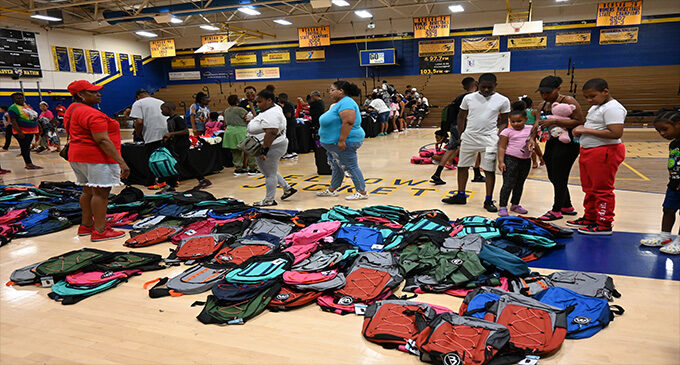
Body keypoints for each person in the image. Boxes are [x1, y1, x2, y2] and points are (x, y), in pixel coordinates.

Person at [64, 80, 129, 241]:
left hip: (77, 156)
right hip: (96, 158)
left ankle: (86, 225)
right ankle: (100, 231)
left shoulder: (72, 110)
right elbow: (102, 140)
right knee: (101, 193)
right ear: (80, 94)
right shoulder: (91, 113)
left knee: (87, 191)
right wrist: (121, 162)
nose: (98, 94)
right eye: (92, 92)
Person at [442, 73, 510, 212]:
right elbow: (461, 117)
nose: (486, 90)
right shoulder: (468, 98)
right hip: (469, 137)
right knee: (462, 166)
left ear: (495, 85)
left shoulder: (503, 100)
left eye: (489, 88)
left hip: (490, 139)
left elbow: (504, 121)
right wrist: (462, 134)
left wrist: (498, 135)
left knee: (489, 170)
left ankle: (488, 200)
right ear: (478, 84)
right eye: (483, 87)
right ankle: (461, 196)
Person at [567, 78, 626, 235]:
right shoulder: (597, 106)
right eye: (586, 97)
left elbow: (615, 133)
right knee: (589, 189)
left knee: (602, 190)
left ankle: (604, 223)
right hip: (590, 151)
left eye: (592, 96)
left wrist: (584, 130)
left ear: (605, 92)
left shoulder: (613, 108)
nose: (588, 100)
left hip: (605, 151)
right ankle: (591, 217)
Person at [529, 76, 585, 221]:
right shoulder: (542, 105)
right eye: (542, 93)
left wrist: (555, 121)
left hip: (568, 142)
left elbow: (580, 121)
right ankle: (567, 205)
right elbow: (537, 123)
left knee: (560, 175)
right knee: (553, 174)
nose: (545, 95)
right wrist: (531, 138)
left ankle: (556, 210)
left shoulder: (568, 101)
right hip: (552, 141)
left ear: (558, 89)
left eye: (548, 92)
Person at [316, 80, 368, 200]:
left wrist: (342, 140)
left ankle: (362, 192)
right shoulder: (341, 103)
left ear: (341, 91)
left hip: (346, 141)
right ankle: (332, 189)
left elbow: (348, 121)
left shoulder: (347, 102)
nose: (330, 92)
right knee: (337, 166)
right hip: (333, 143)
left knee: (351, 166)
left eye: (332, 90)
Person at [246, 89, 297, 206]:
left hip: (272, 146)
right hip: (273, 145)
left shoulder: (272, 113)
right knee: (269, 171)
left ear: (269, 100)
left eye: (260, 102)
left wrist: (265, 150)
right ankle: (287, 188)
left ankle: (269, 200)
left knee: (269, 174)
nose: (257, 104)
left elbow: (272, 131)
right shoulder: (272, 109)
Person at [641, 111, 680, 253]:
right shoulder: (674, 144)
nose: (662, 133)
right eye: (659, 131)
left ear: (678, 124)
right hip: (674, 183)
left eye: (665, 129)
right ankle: (665, 237)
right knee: (668, 209)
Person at [431, 77, 478, 185]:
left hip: (454, 126)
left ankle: (437, 174)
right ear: (475, 84)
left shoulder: (459, 97)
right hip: (463, 127)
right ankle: (477, 174)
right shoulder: (472, 97)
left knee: (451, 149)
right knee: (475, 149)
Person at [160, 102, 211, 191]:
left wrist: (171, 134)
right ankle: (203, 180)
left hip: (182, 144)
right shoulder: (169, 120)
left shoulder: (178, 119)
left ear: (168, 109)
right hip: (176, 144)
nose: (161, 112)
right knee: (187, 164)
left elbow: (185, 131)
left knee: (176, 164)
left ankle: (170, 185)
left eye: (162, 109)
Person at [497, 101, 533, 217]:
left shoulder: (530, 129)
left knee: (520, 183)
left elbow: (534, 143)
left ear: (526, 119)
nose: (516, 124)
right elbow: (502, 147)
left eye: (519, 121)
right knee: (508, 183)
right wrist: (501, 161)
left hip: (526, 160)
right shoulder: (506, 132)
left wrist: (540, 157)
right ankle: (503, 206)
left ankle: (515, 204)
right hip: (511, 159)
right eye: (513, 122)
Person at [130, 89, 168, 189]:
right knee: (165, 158)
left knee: (151, 159)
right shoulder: (160, 101)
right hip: (166, 133)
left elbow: (139, 121)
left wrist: (138, 134)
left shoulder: (138, 103)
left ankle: (151, 182)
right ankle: (168, 180)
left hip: (151, 134)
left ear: (138, 96)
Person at [223, 94, 257, 176]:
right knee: (249, 148)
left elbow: (225, 122)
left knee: (235, 151)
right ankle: (252, 168)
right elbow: (250, 118)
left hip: (229, 131)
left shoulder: (226, 110)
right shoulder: (240, 110)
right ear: (237, 102)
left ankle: (238, 168)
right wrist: (252, 108)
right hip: (240, 131)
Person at [7, 92, 41, 170]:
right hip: (22, 132)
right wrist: (20, 132)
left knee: (27, 147)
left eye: (21, 98)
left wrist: (39, 127)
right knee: (25, 147)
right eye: (18, 98)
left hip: (31, 131)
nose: (20, 99)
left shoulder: (27, 106)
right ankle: (29, 164)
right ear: (13, 100)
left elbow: (34, 117)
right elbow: (14, 121)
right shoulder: (13, 108)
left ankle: (29, 163)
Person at [521, 96, 545, 168]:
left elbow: (538, 120)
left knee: (531, 145)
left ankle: (535, 161)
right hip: (526, 129)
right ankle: (540, 158)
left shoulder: (533, 111)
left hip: (531, 129)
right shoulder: (527, 112)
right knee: (533, 144)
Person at [279, 93, 299, 159]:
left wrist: (281, 115)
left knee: (290, 138)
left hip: (290, 123)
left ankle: (290, 152)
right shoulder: (289, 104)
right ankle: (293, 151)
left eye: (280, 98)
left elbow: (288, 115)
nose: (279, 99)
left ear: (284, 98)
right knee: (293, 137)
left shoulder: (287, 105)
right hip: (292, 123)